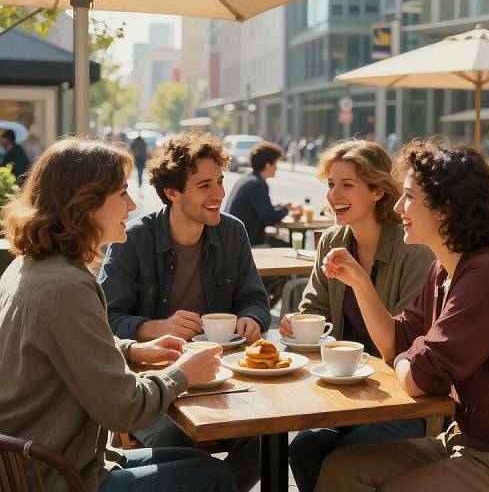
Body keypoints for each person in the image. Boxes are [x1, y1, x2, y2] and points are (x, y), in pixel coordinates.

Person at [0, 137, 236, 492]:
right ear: (87, 204)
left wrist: (130, 350)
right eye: (122, 194)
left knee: (201, 464)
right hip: (54, 477)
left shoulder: (30, 265)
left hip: (39, 463)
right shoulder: (66, 286)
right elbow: (125, 410)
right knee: (214, 476)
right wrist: (183, 374)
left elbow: (64, 345)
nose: (132, 204)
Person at [316, 136, 489, 491]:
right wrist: (361, 283)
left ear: (445, 206)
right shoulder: (444, 269)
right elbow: (398, 343)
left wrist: (409, 357)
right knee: (341, 468)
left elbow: (415, 377)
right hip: (463, 441)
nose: (397, 208)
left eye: (409, 197)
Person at [99, 131, 269, 491]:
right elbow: (105, 322)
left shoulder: (233, 232)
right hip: (153, 384)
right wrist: (155, 326)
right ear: (173, 192)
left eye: (220, 182)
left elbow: (255, 298)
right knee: (177, 444)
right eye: (205, 185)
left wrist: (251, 319)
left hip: (222, 379)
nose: (219, 194)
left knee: (268, 438)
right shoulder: (133, 239)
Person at [279, 139, 434, 492]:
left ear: (378, 191)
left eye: (347, 185)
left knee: (346, 455)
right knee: (304, 447)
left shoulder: (412, 249)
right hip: (343, 391)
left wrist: (361, 283)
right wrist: (298, 325)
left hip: (402, 400)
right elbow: (313, 310)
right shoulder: (332, 239)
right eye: (331, 184)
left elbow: (409, 340)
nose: (334, 195)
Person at [225, 140, 299, 247]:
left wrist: (281, 207)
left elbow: (262, 208)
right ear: (268, 164)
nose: (277, 168)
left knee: (281, 240)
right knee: (289, 247)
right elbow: (270, 217)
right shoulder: (257, 184)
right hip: (247, 241)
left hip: (235, 236)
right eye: (275, 163)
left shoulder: (247, 177)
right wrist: (286, 209)